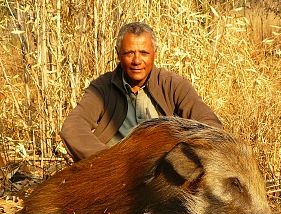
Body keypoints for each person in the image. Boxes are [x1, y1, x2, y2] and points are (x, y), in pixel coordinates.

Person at [60, 22, 222, 161]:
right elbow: (73, 126)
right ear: (118, 55)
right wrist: (107, 160)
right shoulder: (103, 87)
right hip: (114, 171)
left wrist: (180, 159)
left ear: (154, 54)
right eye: (129, 53)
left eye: (144, 53)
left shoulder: (174, 85)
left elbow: (210, 125)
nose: (137, 61)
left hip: (161, 172)